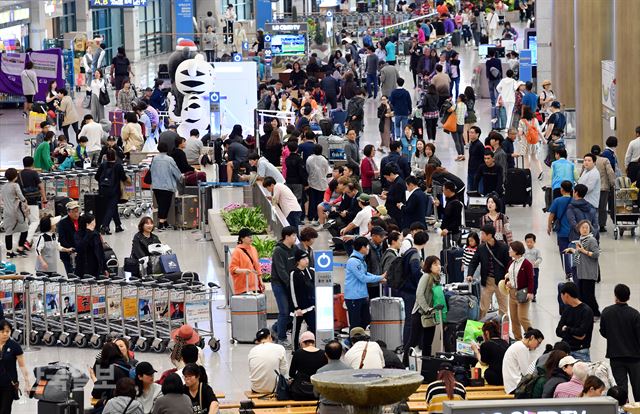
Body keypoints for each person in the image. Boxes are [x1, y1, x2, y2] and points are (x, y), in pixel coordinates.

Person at [600, 284, 640, 402]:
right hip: (635, 357)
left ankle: (623, 409)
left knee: (621, 388)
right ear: (628, 297)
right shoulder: (634, 314)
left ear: (615, 296)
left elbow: (603, 332)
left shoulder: (607, 312)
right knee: (638, 387)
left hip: (615, 356)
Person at [403, 256, 445, 367]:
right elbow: (419, 294)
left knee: (428, 342)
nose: (438, 266)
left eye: (439, 264)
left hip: (431, 313)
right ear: (429, 266)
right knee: (414, 340)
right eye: (435, 264)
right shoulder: (426, 277)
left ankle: (427, 366)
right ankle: (404, 363)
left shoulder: (438, 278)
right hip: (420, 313)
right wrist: (426, 308)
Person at [468, 225, 510, 319]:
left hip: (501, 282)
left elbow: (509, 264)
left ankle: (502, 331)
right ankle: (479, 330)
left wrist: (507, 279)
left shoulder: (503, 247)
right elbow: (474, 262)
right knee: (483, 308)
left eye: (482, 234)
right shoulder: (481, 248)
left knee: (503, 309)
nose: (480, 236)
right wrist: (470, 274)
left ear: (490, 235)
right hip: (487, 281)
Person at [345, 237, 386, 330]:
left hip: (362, 295)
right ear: (362, 247)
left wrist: (379, 278)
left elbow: (366, 273)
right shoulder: (353, 261)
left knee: (366, 321)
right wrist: (380, 277)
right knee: (356, 324)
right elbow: (363, 277)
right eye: (367, 246)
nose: (368, 248)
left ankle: (361, 341)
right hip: (354, 297)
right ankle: (352, 342)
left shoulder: (360, 259)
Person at [565, 220, 601, 317]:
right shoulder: (581, 240)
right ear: (579, 229)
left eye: (587, 228)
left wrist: (583, 251)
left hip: (589, 273)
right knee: (582, 295)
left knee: (589, 296)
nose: (585, 229)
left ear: (590, 229)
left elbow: (596, 254)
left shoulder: (591, 240)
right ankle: (588, 314)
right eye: (582, 228)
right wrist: (573, 250)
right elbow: (579, 256)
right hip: (581, 273)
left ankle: (595, 314)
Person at [270, 226, 297, 347]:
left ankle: (276, 328)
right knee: (284, 311)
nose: (295, 238)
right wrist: (290, 283)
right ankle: (281, 338)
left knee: (292, 311)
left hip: (291, 284)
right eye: (293, 236)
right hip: (279, 285)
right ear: (286, 237)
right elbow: (281, 271)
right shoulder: (278, 251)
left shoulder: (294, 248)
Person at [504, 241, 535, 340]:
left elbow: (531, 279)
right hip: (511, 292)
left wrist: (530, 292)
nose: (509, 251)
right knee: (514, 318)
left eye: (511, 249)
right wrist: (507, 282)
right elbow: (508, 275)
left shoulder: (527, 264)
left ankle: (532, 338)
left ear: (516, 251)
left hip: (523, 293)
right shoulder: (510, 263)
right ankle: (518, 339)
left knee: (522, 318)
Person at [556, 282, 594, 362]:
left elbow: (581, 333)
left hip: (581, 352)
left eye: (561, 295)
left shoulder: (586, 311)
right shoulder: (566, 309)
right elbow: (558, 331)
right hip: (565, 352)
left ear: (566, 295)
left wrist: (566, 329)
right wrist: (574, 332)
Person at [150, 142, 182, 230]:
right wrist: (180, 177)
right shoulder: (169, 159)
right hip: (167, 185)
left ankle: (165, 222)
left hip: (156, 185)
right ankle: (160, 224)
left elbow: (151, 170)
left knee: (161, 204)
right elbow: (176, 171)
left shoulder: (155, 159)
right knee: (166, 205)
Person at [0, 319, 30, 414]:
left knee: (5, 410)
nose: (5, 334)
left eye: (8, 331)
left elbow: (22, 366)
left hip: (9, 384)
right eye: (2, 331)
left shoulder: (14, 346)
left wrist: (27, 383)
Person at [502, 328, 545, 394]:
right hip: (516, 386)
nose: (538, 346)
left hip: (511, 385)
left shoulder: (519, 345)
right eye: (538, 343)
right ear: (532, 337)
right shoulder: (522, 348)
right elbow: (526, 372)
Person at [96, 149, 128, 234]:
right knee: (111, 208)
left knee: (112, 207)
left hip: (103, 190)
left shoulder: (103, 165)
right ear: (115, 156)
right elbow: (123, 178)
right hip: (114, 190)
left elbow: (97, 177)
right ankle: (105, 225)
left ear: (106, 157)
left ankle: (118, 226)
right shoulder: (118, 166)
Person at [290, 250, 316, 350]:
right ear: (298, 261)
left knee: (314, 327)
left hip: (309, 307)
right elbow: (293, 291)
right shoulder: (294, 273)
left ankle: (313, 347)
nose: (306, 261)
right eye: (303, 259)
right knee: (296, 330)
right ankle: (294, 349)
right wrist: (296, 307)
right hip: (299, 309)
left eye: (307, 258)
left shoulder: (309, 271)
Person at [289, 331, 327, 400]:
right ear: (314, 342)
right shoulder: (323, 353)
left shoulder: (298, 353)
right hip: (318, 391)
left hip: (300, 391)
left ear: (302, 343)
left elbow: (291, 374)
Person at [248, 328, 288, 393]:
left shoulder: (252, 351)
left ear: (258, 341)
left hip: (256, 389)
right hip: (274, 389)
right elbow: (284, 371)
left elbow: (251, 370)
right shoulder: (280, 348)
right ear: (270, 337)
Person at [470, 320, 509, 386]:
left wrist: (476, 350)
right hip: (506, 377)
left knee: (484, 370)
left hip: (495, 378)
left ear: (487, 333)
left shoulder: (486, 344)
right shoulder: (505, 343)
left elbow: (483, 362)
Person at [316, 340, 350, 413]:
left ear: (326, 354)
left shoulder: (320, 372)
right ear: (341, 353)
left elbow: (316, 392)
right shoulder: (350, 370)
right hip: (345, 408)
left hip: (326, 408)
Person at [2, 169, 29, 259]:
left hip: (6, 212)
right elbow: (21, 196)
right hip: (15, 211)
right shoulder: (15, 185)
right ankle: (20, 248)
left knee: (8, 232)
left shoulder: (4, 186)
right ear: (15, 176)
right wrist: (24, 201)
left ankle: (9, 252)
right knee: (25, 229)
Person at [229, 228, 263, 295]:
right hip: (243, 287)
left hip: (255, 286)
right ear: (242, 238)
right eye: (248, 237)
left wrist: (261, 281)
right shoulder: (237, 251)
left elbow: (257, 267)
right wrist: (244, 271)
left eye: (251, 236)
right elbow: (232, 269)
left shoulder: (253, 249)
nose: (251, 238)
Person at [589, 145, 616, 232]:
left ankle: (591, 224)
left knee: (592, 206)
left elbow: (583, 172)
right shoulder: (605, 160)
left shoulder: (589, 160)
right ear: (600, 152)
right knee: (602, 207)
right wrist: (613, 184)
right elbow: (610, 172)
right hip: (603, 187)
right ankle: (601, 225)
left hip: (591, 188)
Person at [74, 213, 108, 277]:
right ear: (87, 224)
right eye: (94, 222)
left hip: (96, 268)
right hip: (84, 268)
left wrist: (105, 268)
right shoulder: (79, 234)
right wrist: (88, 232)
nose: (95, 224)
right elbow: (80, 248)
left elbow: (101, 252)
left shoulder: (96, 234)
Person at [518, 106, 544, 179]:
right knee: (535, 158)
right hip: (534, 142)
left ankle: (527, 174)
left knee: (527, 158)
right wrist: (544, 140)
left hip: (526, 142)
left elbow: (520, 133)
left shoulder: (521, 121)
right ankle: (540, 172)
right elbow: (539, 131)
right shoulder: (535, 120)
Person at [57, 200, 80, 275]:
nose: (76, 214)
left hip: (80, 252)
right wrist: (70, 249)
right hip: (67, 252)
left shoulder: (81, 220)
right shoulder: (62, 223)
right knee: (70, 273)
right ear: (68, 212)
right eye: (74, 212)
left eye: (77, 211)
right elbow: (62, 239)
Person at [467, 126, 484, 191]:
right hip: (471, 170)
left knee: (477, 190)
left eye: (472, 133)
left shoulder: (479, 145)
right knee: (470, 190)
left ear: (477, 134)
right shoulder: (471, 143)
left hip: (477, 172)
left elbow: (483, 158)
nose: (470, 134)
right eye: (469, 132)